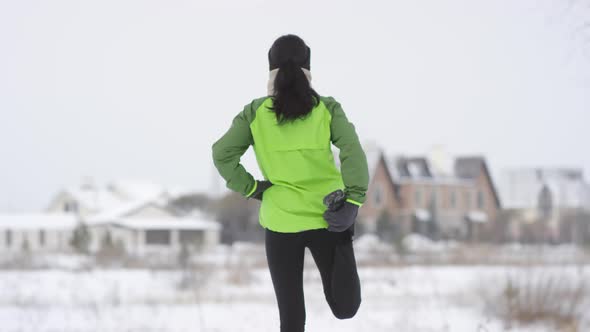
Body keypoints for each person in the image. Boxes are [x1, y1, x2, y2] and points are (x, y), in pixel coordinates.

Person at [211, 34, 369, 332]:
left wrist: (251, 187)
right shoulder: (327, 109)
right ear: (309, 69)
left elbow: (222, 154)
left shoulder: (255, 113)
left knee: (292, 320)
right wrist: (354, 200)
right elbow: (352, 150)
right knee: (346, 308)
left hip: (280, 221)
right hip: (331, 218)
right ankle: (344, 240)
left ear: (270, 70)